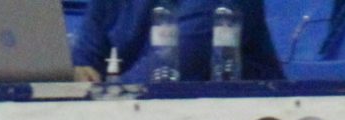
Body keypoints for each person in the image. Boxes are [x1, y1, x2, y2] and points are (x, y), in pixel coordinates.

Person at [71, 0, 282, 79]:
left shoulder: (224, 5)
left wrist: (99, 90)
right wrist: (77, 75)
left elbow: (164, 75)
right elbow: (84, 61)